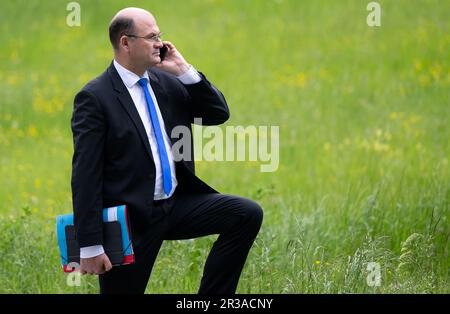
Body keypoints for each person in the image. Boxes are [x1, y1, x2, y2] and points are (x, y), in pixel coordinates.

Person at [71, 7, 263, 294]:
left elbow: (217, 113)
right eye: (151, 37)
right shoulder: (95, 97)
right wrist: (90, 244)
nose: (160, 43)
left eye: (160, 35)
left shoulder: (168, 82)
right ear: (125, 42)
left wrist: (184, 71)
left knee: (246, 214)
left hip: (176, 205)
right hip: (132, 220)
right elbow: (85, 174)